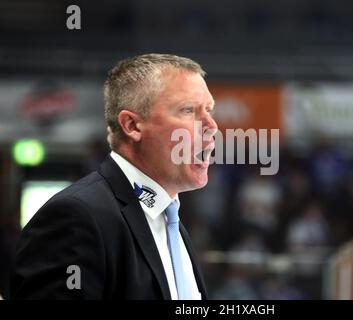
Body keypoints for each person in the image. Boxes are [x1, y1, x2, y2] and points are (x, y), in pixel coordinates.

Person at [10, 53, 218, 299]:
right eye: (188, 110)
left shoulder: (170, 221)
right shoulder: (76, 218)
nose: (211, 125)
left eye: (209, 110)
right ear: (132, 125)